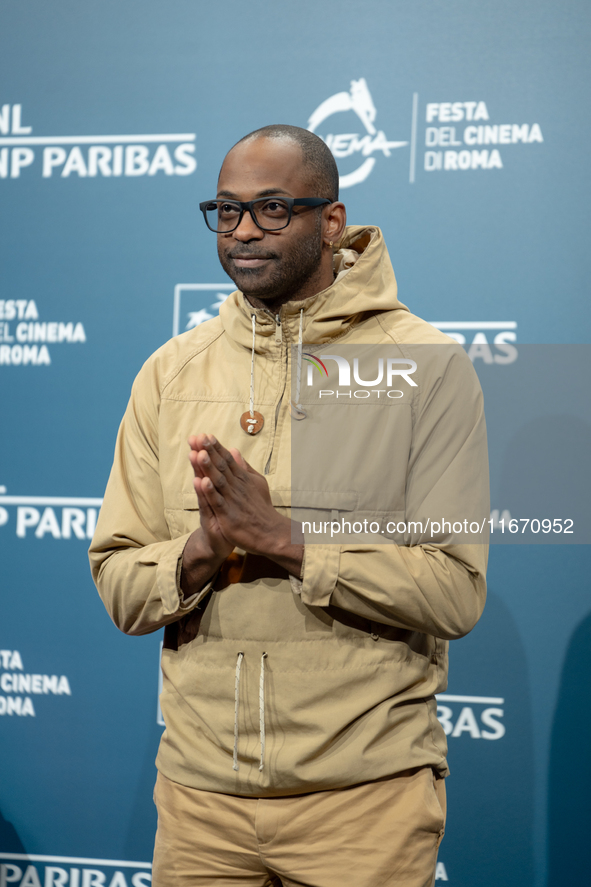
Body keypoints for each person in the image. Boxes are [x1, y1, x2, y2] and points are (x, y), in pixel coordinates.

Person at [89, 124, 489, 887]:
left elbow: (453, 589)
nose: (242, 231)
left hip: (361, 810)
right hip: (199, 805)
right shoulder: (169, 372)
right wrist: (206, 547)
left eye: (272, 208)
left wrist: (285, 539)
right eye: (226, 210)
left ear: (330, 222)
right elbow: (119, 582)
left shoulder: (423, 367)